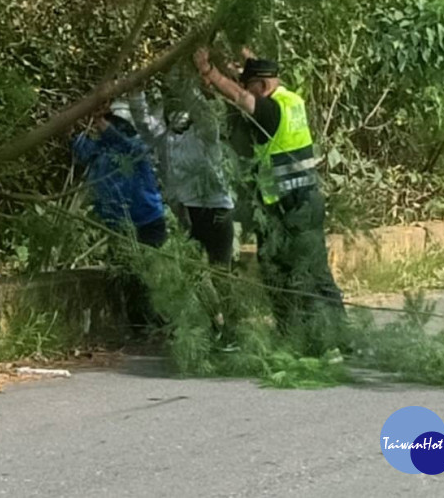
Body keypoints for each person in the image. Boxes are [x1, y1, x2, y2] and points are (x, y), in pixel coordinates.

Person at [193, 47, 345, 345]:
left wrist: (210, 72)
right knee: (316, 273)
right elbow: (248, 88)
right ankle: (339, 337)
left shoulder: (270, 110)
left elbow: (241, 97)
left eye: (251, 86)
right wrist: (247, 63)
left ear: (262, 87)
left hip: (289, 209)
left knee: (292, 275)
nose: (249, 94)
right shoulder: (292, 101)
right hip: (305, 200)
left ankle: (311, 340)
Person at [128, 87, 235, 265]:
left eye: (182, 110)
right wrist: (135, 91)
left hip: (217, 212)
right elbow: (144, 123)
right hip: (187, 213)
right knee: (191, 272)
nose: (178, 116)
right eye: (172, 110)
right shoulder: (164, 139)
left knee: (220, 271)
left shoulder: (206, 135)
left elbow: (205, 115)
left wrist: (185, 85)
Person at [70, 100, 168, 247]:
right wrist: (69, 133)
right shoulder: (102, 150)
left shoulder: (138, 148)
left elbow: (128, 146)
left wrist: (107, 129)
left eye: (114, 123)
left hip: (148, 221)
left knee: (146, 263)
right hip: (118, 224)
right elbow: (85, 150)